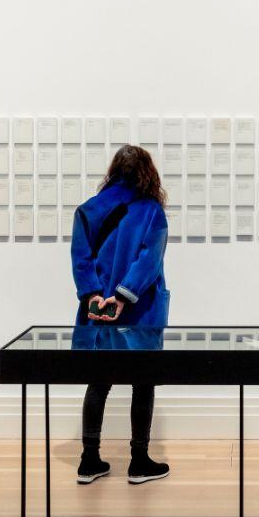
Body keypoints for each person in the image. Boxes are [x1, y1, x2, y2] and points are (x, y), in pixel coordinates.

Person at [70, 144, 172, 486]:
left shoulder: (87, 211)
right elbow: (149, 260)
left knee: (98, 382)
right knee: (142, 383)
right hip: (139, 312)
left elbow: (80, 259)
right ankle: (139, 461)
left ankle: (88, 460)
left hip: (97, 313)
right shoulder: (150, 211)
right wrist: (124, 296)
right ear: (147, 172)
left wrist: (96, 296)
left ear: (113, 170)